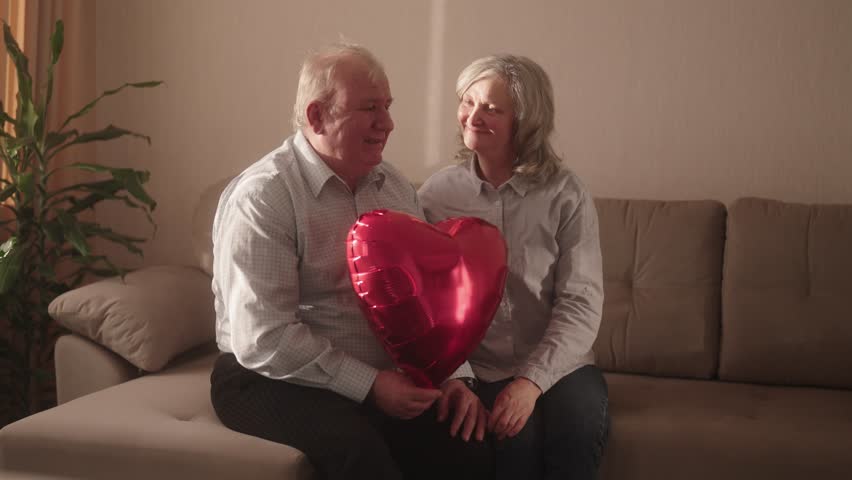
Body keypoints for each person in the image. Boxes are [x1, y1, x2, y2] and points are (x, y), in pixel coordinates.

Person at [209, 44, 492, 480]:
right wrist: (371, 386)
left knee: (468, 448)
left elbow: (428, 302)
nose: (388, 123)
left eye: (387, 107)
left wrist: (454, 377)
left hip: (382, 376)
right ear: (317, 116)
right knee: (359, 455)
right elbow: (263, 338)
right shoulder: (265, 196)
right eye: (369, 108)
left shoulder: (394, 187)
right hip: (269, 377)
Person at [418, 54, 610, 480]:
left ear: (525, 121)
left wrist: (530, 383)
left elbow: (581, 303)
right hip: (479, 369)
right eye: (468, 102)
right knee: (511, 445)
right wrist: (457, 378)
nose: (473, 116)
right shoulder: (435, 197)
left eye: (491, 108)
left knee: (576, 432)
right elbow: (428, 307)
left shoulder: (566, 194)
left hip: (562, 365)